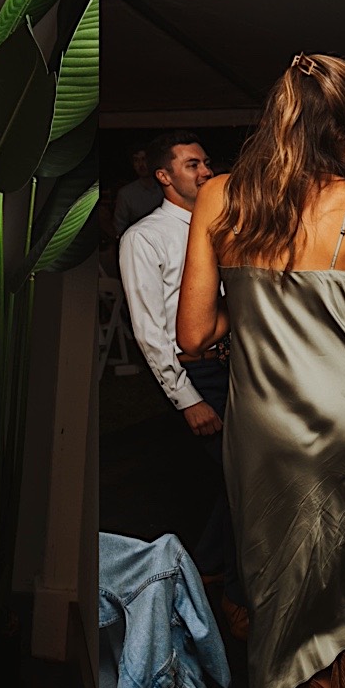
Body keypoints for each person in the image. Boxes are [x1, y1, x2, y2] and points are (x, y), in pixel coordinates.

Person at [177, 52, 345, 688]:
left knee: (280, 571)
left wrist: (256, 321)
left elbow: (192, 333)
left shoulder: (217, 198)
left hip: (267, 426)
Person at [117, 132, 245, 633]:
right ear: (164, 176)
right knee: (242, 477)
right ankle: (233, 593)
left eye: (207, 162)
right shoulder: (143, 238)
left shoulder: (225, 229)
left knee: (237, 478)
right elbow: (150, 329)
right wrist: (187, 398)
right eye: (193, 164)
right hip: (199, 371)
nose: (206, 171)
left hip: (240, 366)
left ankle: (203, 565)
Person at [113, 144, 165, 235]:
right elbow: (119, 226)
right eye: (136, 160)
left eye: (144, 159)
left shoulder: (166, 188)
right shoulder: (126, 194)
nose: (141, 164)